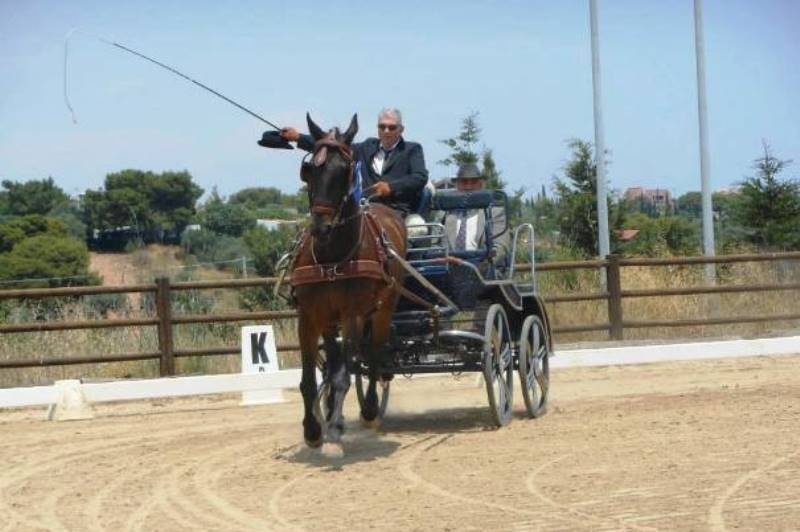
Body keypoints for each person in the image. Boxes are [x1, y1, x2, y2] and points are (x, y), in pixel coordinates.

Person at [279, 108, 429, 216]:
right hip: (364, 210)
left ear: (401, 129)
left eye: (392, 127)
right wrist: (298, 137)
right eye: (382, 126)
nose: (386, 131)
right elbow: (336, 148)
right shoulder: (367, 147)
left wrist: (391, 187)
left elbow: (420, 177)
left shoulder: (412, 150)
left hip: (397, 211)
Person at [444, 163, 509, 271]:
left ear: (480, 185)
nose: (468, 187)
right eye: (464, 182)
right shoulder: (444, 215)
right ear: (457, 185)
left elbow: (500, 246)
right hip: (448, 270)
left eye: (473, 182)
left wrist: (480, 266)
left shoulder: (495, 213)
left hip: (484, 270)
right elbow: (435, 246)